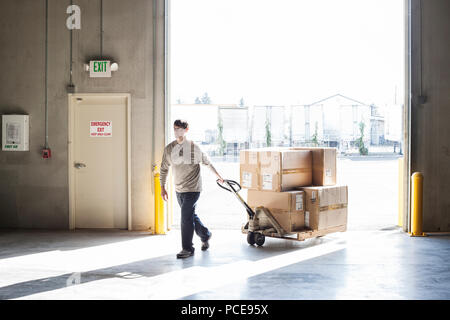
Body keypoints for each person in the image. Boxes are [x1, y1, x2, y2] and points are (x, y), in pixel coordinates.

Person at [160, 119, 224, 259]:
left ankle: (187, 248)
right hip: (179, 189)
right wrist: (162, 187)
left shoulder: (194, 147)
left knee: (185, 218)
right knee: (189, 216)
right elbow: (164, 169)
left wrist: (218, 176)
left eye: (179, 129)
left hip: (193, 189)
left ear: (186, 130)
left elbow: (207, 162)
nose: (177, 131)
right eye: (175, 128)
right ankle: (205, 234)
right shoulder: (169, 149)